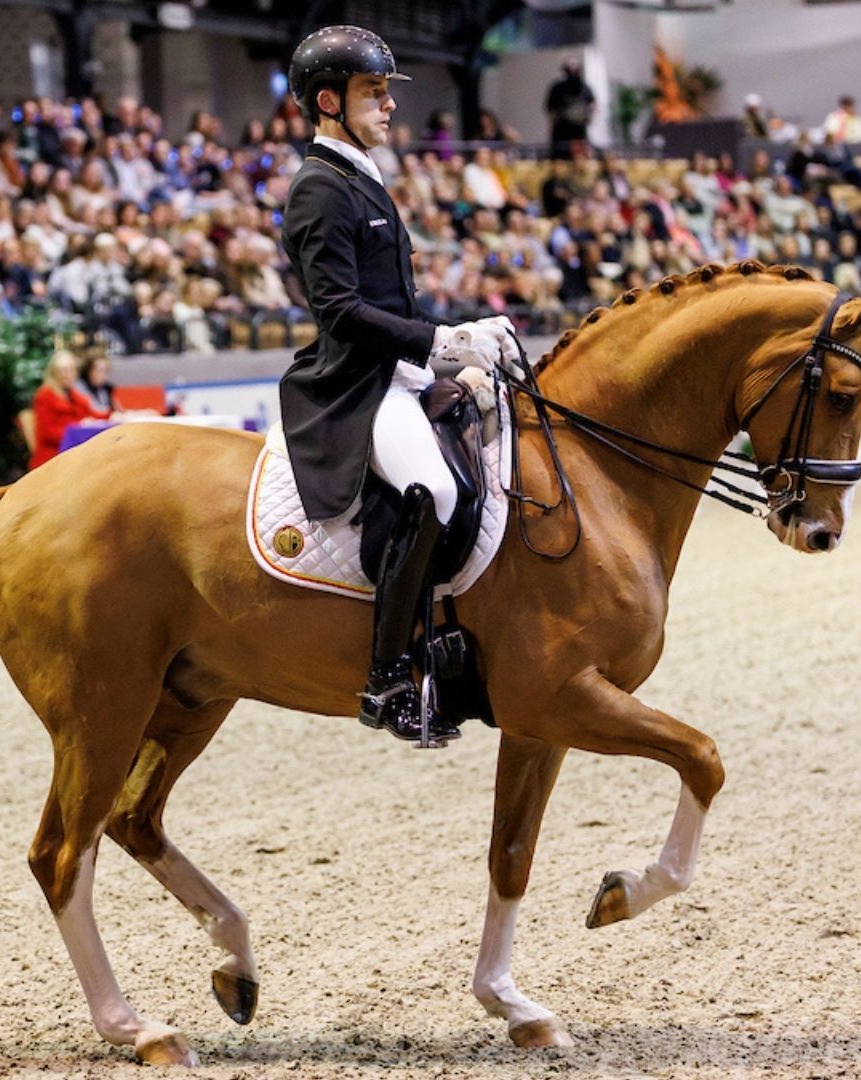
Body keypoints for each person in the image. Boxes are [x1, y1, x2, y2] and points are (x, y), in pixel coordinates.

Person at [282, 25, 517, 744]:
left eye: (387, 93)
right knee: (435, 491)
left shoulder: (360, 175)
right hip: (355, 385)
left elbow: (396, 304)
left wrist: (458, 342)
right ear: (330, 101)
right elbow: (342, 313)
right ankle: (388, 677)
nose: (388, 107)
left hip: (399, 370)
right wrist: (441, 343)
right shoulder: (320, 189)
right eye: (373, 93)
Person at [27, 351, 109, 468]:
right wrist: (76, 430)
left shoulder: (74, 395)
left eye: (71, 370)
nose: (68, 374)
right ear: (54, 373)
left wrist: (112, 415)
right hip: (52, 458)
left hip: (74, 453)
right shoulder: (44, 396)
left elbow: (93, 416)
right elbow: (47, 433)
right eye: (63, 370)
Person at [544, 56, 594, 159]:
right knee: (560, 163)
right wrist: (555, 120)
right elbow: (549, 110)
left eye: (575, 70)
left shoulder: (585, 88)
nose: (572, 73)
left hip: (579, 134)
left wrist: (588, 116)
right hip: (561, 134)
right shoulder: (557, 88)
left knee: (580, 162)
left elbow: (593, 105)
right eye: (569, 69)